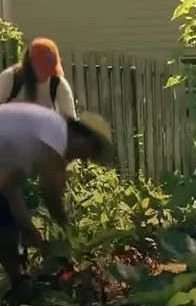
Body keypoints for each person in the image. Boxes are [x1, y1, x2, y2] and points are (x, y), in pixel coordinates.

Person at [0, 102, 113, 291]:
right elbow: (49, 188)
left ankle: (18, 284)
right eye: (87, 154)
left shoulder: (39, 134)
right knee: (4, 226)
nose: (82, 160)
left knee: (6, 223)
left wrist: (29, 226)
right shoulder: (56, 132)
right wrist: (66, 229)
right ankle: (18, 285)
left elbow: (8, 186)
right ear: (86, 140)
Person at [0, 38, 76, 118]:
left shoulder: (57, 83)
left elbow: (70, 119)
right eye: (43, 68)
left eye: (51, 68)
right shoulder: (10, 78)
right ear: (31, 64)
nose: (47, 73)